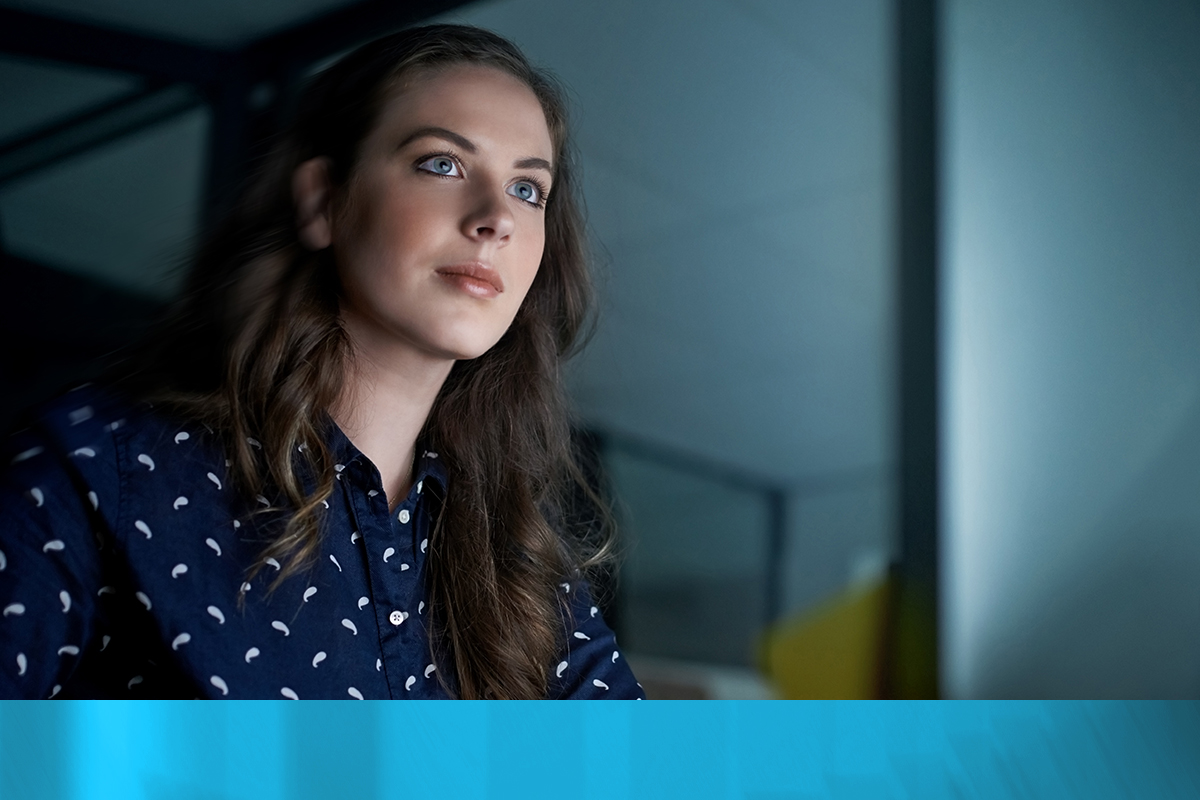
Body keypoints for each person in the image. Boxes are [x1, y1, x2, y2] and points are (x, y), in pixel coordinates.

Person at [0, 25, 643, 700]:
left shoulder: (523, 571)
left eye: (527, 190)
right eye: (442, 164)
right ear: (323, 201)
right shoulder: (106, 472)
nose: (495, 218)